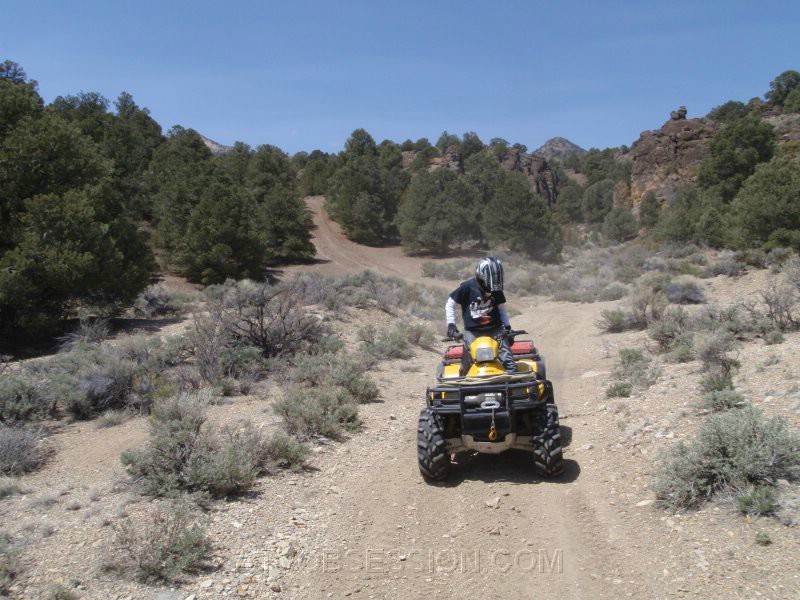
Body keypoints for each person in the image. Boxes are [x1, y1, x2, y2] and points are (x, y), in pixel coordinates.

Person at [445, 256, 517, 374]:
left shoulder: (496, 289)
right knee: (466, 364)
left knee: (508, 361)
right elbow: (450, 303)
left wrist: (507, 328)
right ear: (481, 275)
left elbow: (501, 309)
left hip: (496, 330)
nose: (494, 280)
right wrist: (451, 325)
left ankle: (514, 385)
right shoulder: (467, 287)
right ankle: (464, 385)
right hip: (472, 332)